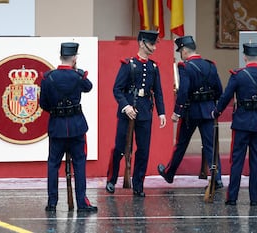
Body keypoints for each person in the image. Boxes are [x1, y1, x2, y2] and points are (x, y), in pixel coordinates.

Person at [212, 42, 257, 206]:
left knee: (237, 161)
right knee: (256, 162)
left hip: (242, 124)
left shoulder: (238, 75)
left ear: (245, 57)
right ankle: (254, 199)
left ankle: (232, 197)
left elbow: (226, 97)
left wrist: (216, 112)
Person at [157, 35, 224, 189]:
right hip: (208, 111)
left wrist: (176, 112)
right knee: (211, 146)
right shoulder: (210, 65)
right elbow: (219, 89)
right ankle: (217, 178)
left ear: (185, 51)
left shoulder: (185, 67)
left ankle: (169, 173)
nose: (181, 53)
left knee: (181, 144)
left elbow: (183, 92)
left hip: (190, 112)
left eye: (181, 51)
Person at [106, 30, 167, 197]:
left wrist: (161, 113)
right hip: (127, 113)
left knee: (143, 150)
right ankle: (111, 180)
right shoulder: (128, 64)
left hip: (145, 112)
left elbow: (158, 92)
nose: (154, 47)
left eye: (155, 44)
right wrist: (126, 106)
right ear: (141, 43)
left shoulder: (153, 67)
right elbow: (117, 89)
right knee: (120, 148)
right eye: (151, 44)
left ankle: (138, 184)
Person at [40, 42, 97, 212]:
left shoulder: (48, 78)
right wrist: (76, 70)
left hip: (57, 127)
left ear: (60, 57)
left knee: (53, 164)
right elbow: (89, 87)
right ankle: (81, 202)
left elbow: (43, 103)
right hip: (76, 127)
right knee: (79, 164)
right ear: (74, 58)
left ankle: (52, 202)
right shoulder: (78, 76)